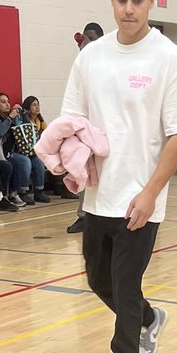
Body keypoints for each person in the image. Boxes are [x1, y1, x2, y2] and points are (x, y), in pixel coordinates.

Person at [60, 0, 177, 353]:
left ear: (151, 0)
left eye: (138, 1)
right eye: (121, 0)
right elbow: (72, 120)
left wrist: (150, 192)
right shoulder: (91, 58)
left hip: (141, 200)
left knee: (124, 282)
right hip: (97, 195)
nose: (129, 9)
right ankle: (148, 318)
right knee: (98, 280)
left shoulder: (170, 60)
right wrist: (72, 162)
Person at [67, 21, 104, 233]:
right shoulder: (83, 62)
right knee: (82, 169)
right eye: (86, 37)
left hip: (106, 128)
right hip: (86, 126)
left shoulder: (109, 59)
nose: (89, 41)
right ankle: (83, 216)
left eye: (93, 38)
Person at [0, 92, 35, 206]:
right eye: (3, 102)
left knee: (29, 160)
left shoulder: (12, 117)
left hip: (13, 151)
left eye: (8, 102)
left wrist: (23, 114)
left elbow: (26, 128)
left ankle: (19, 191)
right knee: (23, 161)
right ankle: (16, 193)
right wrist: (10, 118)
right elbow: (0, 131)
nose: (7, 104)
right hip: (0, 153)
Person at [14, 95, 50, 202]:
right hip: (21, 151)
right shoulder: (22, 118)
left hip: (33, 152)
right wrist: (23, 113)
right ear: (27, 107)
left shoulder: (40, 121)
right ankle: (23, 191)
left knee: (39, 162)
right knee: (27, 162)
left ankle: (39, 191)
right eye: (34, 105)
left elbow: (48, 134)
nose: (37, 107)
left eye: (38, 105)